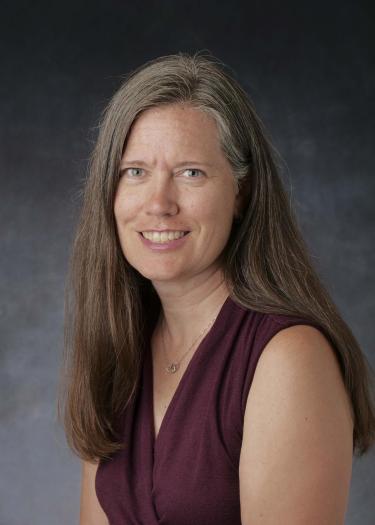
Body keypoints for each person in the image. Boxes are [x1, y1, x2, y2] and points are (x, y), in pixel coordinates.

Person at [58, 51, 375, 524]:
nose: (159, 203)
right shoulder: (119, 352)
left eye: (191, 172)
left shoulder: (288, 358)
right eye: (135, 172)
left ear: (241, 194)